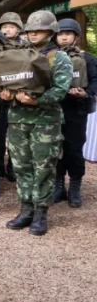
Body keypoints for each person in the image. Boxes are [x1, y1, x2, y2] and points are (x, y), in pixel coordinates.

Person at [1, 10, 71, 236]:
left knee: (43, 167)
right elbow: (6, 80)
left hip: (45, 122)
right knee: (21, 166)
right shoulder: (18, 55)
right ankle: (26, 209)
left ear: (50, 32)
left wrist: (36, 100)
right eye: (30, 30)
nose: (33, 34)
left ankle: (41, 213)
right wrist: (5, 94)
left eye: (39, 30)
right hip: (18, 119)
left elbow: (60, 90)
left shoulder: (59, 58)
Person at [53, 19, 97, 208]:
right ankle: (58, 185)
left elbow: (95, 81)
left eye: (68, 34)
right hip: (54, 110)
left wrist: (85, 93)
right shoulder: (50, 57)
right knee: (55, 148)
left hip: (76, 111)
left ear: (76, 37)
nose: (64, 37)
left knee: (74, 149)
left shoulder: (87, 59)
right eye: (60, 34)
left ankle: (75, 186)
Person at [0, 12, 25, 185]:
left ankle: (13, 167)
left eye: (11, 27)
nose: (7, 30)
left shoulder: (25, 48)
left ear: (18, 29)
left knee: (17, 137)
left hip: (20, 101)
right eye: (4, 27)